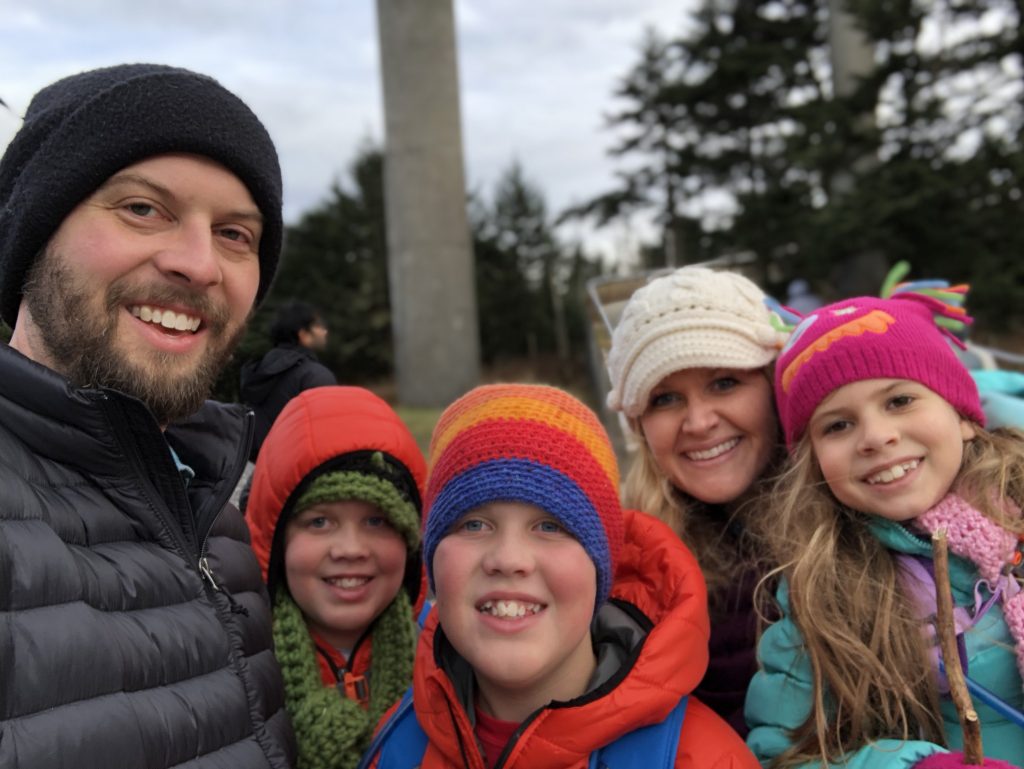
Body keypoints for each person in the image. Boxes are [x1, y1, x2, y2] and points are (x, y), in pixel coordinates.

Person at [0, 64, 295, 768]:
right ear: (35, 233)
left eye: (234, 233)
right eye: (142, 208)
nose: (199, 263)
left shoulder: (211, 505)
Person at [361, 383, 760, 768]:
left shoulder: (704, 758)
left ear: (600, 567)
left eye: (550, 527)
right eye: (474, 525)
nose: (509, 558)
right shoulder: (396, 744)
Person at [745, 281, 1024, 767]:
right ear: (813, 463)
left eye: (899, 401)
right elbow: (780, 755)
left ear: (961, 416)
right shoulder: (821, 594)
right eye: (838, 425)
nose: (876, 436)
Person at [604, 266, 789, 734]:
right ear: (639, 427)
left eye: (724, 382)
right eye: (666, 399)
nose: (699, 421)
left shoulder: (863, 517)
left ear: (774, 386)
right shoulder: (622, 572)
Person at [245, 386, 427, 769]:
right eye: (320, 521)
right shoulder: (233, 672)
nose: (350, 548)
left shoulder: (448, 662)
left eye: (377, 521)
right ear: (276, 544)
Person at [241, 299, 337, 463]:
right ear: (304, 335)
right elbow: (329, 435)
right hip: (299, 469)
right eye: (319, 326)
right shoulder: (315, 376)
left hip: (258, 468)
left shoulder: (258, 370)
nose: (324, 331)